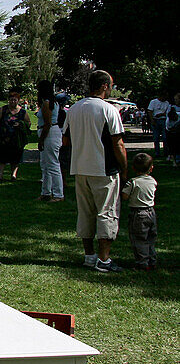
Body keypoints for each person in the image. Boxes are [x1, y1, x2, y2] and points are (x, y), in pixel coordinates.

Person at [62, 70, 127, 273]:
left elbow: (66, 140)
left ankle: (89, 255)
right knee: (106, 212)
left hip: (80, 167)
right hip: (104, 169)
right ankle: (104, 259)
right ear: (104, 86)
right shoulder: (108, 110)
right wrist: (124, 169)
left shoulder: (74, 109)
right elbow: (118, 144)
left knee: (85, 213)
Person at [122, 152, 158, 271]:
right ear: (151, 168)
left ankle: (142, 263)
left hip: (138, 213)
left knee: (139, 239)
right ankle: (152, 260)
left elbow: (125, 196)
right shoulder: (152, 181)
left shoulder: (133, 182)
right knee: (150, 238)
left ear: (133, 168)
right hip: (151, 212)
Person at [0, 88, 30, 181]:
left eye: (15, 100)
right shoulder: (3, 110)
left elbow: (28, 123)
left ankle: (13, 175)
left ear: (18, 100)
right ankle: (0, 175)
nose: (13, 102)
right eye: (11, 100)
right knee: (2, 157)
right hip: (4, 137)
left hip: (16, 138)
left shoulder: (22, 112)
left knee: (16, 157)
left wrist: (20, 124)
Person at [36, 80, 64, 203]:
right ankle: (46, 192)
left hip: (49, 133)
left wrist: (41, 140)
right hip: (48, 131)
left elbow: (48, 123)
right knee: (45, 165)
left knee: (52, 164)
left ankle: (58, 194)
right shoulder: (51, 102)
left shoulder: (47, 104)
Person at [148, 92, 170, 157]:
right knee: (156, 137)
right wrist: (152, 120)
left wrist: (162, 114)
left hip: (163, 119)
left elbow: (167, 112)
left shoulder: (167, 103)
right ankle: (157, 152)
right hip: (155, 119)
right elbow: (150, 111)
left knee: (165, 137)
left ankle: (165, 152)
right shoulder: (153, 102)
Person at [166, 93, 180, 167]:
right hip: (172, 129)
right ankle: (174, 161)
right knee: (173, 145)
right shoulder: (171, 107)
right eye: (175, 99)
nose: (176, 101)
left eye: (177, 99)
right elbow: (169, 117)